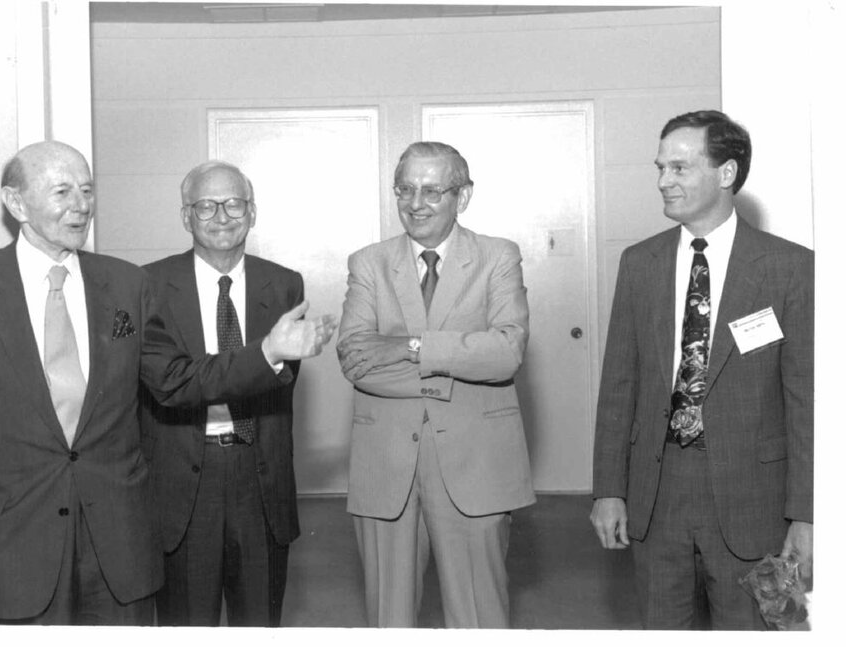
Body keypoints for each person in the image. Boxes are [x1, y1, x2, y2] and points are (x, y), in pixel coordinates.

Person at [0, 141, 335, 625]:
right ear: (16, 202)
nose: (81, 205)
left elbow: (176, 380)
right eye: (62, 191)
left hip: (120, 549)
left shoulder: (125, 286)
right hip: (15, 548)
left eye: (87, 191)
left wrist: (266, 353)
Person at [589, 110, 813, 630]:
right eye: (660, 167)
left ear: (727, 173)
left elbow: (805, 401)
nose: (664, 181)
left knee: (758, 631)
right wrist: (608, 489)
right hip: (656, 492)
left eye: (680, 168)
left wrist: (805, 514)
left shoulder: (790, 268)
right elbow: (618, 386)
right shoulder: (639, 264)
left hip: (754, 500)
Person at [336, 141, 534, 628]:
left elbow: (506, 353)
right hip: (386, 464)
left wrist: (412, 347)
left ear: (462, 197)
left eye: (432, 191)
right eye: (405, 189)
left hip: (476, 463)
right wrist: (457, 364)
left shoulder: (498, 257)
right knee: (390, 620)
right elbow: (357, 359)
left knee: (479, 618)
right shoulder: (368, 263)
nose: (415, 203)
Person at [140, 161, 308, 626]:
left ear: (252, 213)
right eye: (206, 206)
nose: (221, 216)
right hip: (185, 485)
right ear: (185, 217)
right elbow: (171, 383)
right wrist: (266, 352)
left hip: (260, 479)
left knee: (260, 622)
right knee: (187, 624)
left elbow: (278, 384)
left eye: (234, 203)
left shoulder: (285, 284)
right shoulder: (146, 286)